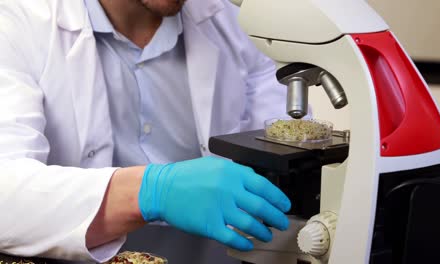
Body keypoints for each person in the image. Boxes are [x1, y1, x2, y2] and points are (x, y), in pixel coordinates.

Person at [0, 0, 291, 263]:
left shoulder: (237, 20)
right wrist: (153, 191)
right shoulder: (17, 20)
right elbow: (5, 195)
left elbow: (281, 146)